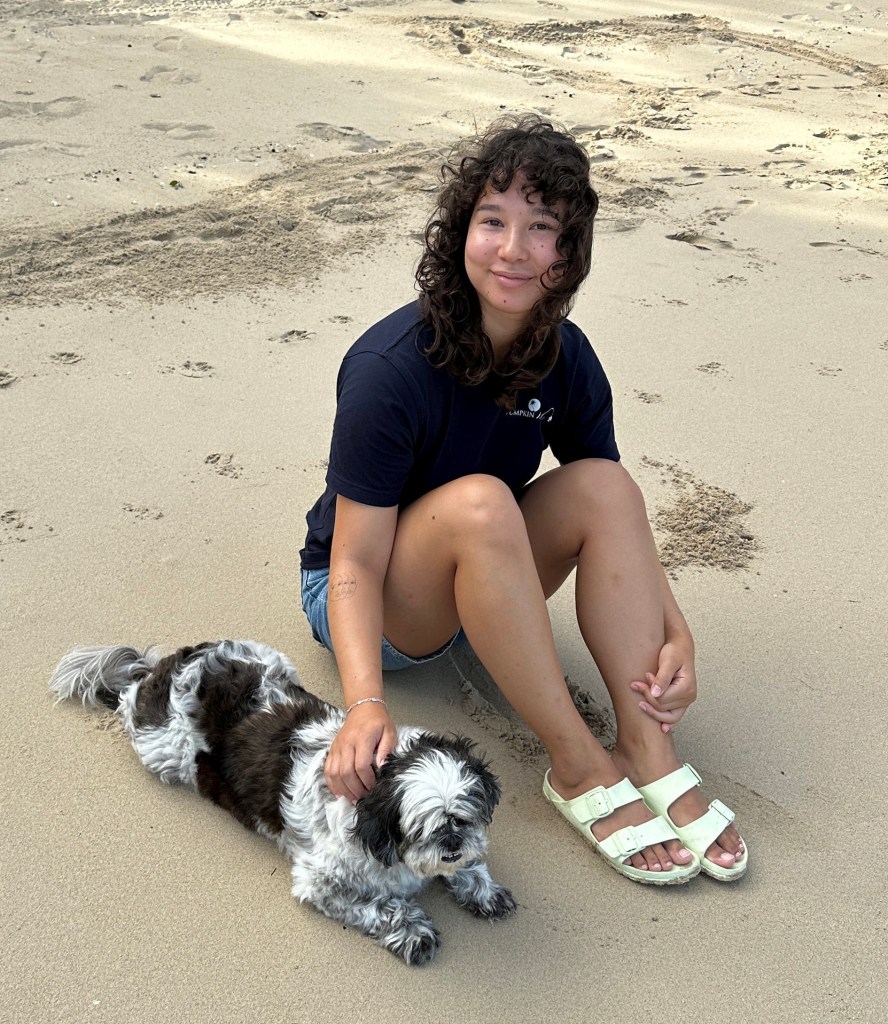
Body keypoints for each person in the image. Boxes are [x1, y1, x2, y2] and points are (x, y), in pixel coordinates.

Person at [299, 114, 747, 884]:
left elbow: (616, 519)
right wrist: (365, 702)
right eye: (492, 221)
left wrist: (680, 633)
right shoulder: (387, 370)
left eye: (541, 228)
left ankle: (647, 745)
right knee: (479, 501)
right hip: (377, 604)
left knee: (605, 484)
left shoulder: (565, 357)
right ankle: (577, 763)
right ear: (459, 233)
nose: (513, 250)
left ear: (569, 254)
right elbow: (352, 561)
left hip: (488, 564)